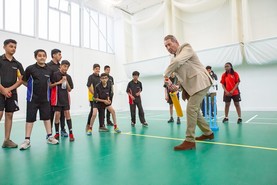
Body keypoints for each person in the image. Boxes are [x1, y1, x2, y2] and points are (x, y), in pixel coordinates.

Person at [163, 35, 214, 151]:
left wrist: (165, 75)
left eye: (169, 44)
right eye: (166, 46)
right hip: (193, 86)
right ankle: (208, 133)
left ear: (176, 42)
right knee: (195, 112)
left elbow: (177, 61)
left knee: (191, 109)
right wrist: (176, 87)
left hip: (201, 82)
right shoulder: (173, 59)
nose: (168, 47)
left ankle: (189, 140)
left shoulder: (186, 48)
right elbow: (181, 77)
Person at [19, 49, 59, 150]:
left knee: (47, 118)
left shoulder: (50, 70)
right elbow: (23, 81)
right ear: (36, 57)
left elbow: (50, 84)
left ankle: (50, 137)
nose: (42, 57)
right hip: (32, 99)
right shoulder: (30, 69)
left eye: (43, 56)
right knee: (30, 119)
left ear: (46, 57)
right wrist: (30, 88)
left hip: (45, 99)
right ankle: (27, 140)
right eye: (39, 55)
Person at [0, 39, 24, 148]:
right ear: (4, 47)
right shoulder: (0, 60)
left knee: (9, 114)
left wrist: (9, 89)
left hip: (12, 93)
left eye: (15, 47)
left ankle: (7, 140)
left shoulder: (17, 64)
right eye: (11, 46)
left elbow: (21, 80)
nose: (13, 48)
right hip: (0, 91)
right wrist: (3, 90)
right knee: (0, 113)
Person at [51, 60, 75, 141]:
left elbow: (70, 89)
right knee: (57, 114)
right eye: (64, 66)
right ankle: (57, 133)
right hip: (57, 98)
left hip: (65, 98)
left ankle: (71, 133)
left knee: (67, 114)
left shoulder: (68, 76)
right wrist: (59, 82)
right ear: (60, 66)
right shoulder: (54, 74)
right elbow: (50, 85)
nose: (66, 68)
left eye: (67, 67)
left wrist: (66, 81)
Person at [47, 49, 68, 137]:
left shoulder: (61, 66)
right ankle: (50, 131)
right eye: (59, 54)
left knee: (62, 112)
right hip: (51, 93)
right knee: (51, 112)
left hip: (61, 94)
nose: (61, 56)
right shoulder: (47, 66)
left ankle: (62, 129)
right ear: (54, 55)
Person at [86, 64, 109, 135]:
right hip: (93, 97)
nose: (98, 70)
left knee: (102, 110)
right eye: (96, 69)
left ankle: (101, 126)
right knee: (93, 112)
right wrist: (95, 94)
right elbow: (89, 87)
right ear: (93, 69)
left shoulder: (100, 77)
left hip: (100, 98)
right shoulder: (91, 77)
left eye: (99, 69)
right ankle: (88, 125)